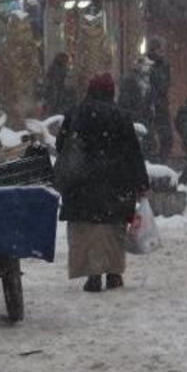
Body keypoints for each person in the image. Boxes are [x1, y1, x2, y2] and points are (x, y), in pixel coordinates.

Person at [55, 73, 150, 292]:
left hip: (81, 184)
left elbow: (62, 145)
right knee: (113, 229)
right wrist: (141, 183)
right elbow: (133, 152)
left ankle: (93, 274)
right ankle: (114, 273)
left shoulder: (76, 113)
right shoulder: (121, 116)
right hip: (116, 183)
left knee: (86, 230)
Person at [146, 36, 173, 164]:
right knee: (154, 140)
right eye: (160, 49)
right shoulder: (149, 66)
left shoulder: (164, 65)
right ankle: (157, 164)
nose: (163, 52)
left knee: (167, 139)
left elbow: (166, 83)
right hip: (153, 105)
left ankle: (161, 163)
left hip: (160, 104)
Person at [42, 52, 75, 117]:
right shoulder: (60, 69)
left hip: (52, 93)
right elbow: (58, 83)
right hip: (57, 93)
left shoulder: (52, 68)